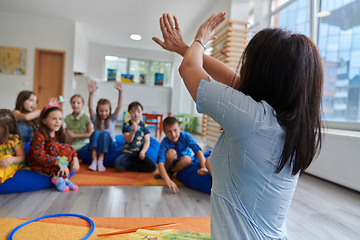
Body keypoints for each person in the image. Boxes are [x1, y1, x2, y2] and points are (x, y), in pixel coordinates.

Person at [153, 13, 323, 239]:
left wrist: (200, 40)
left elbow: (188, 69)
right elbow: (233, 80)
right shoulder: (286, 119)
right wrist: (184, 48)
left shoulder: (254, 118)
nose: (243, 70)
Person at [27, 105, 80, 192]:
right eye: (54, 119)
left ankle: (64, 178)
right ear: (44, 121)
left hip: (54, 161)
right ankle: (58, 177)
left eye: (60, 119)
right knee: (54, 146)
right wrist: (60, 163)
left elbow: (70, 149)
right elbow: (39, 156)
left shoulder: (59, 134)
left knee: (65, 148)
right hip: (39, 163)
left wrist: (75, 159)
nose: (57, 122)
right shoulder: (39, 135)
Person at [155, 116, 207, 194]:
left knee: (188, 159)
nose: (173, 134)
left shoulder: (186, 136)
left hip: (183, 161)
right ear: (165, 132)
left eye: (175, 130)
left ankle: (171, 172)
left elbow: (198, 151)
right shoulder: (164, 142)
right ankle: (166, 172)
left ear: (179, 129)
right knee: (170, 153)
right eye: (169, 131)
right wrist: (167, 180)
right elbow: (160, 163)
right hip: (170, 161)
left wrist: (204, 167)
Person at [87, 80, 123, 172]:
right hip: (97, 143)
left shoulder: (112, 118)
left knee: (105, 134)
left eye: (106, 111)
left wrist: (120, 92)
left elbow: (119, 106)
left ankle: (100, 161)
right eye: (101, 111)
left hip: (110, 143)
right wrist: (91, 94)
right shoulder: (95, 119)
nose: (104, 113)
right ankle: (94, 160)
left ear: (109, 110)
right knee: (96, 132)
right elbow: (90, 107)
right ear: (97, 111)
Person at [113, 102, 157, 173]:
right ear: (129, 112)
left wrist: (143, 151)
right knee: (117, 164)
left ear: (142, 112)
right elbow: (128, 140)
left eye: (138, 112)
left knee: (153, 167)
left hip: (139, 152)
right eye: (133, 112)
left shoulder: (144, 126)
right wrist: (133, 131)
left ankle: (130, 167)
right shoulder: (126, 125)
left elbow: (147, 141)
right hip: (127, 152)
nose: (136, 114)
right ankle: (135, 165)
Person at [0, 109, 26, 183]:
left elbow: (22, 157)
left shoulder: (13, 139)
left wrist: (10, 160)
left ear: (4, 127)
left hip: (10, 164)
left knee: (6, 158)